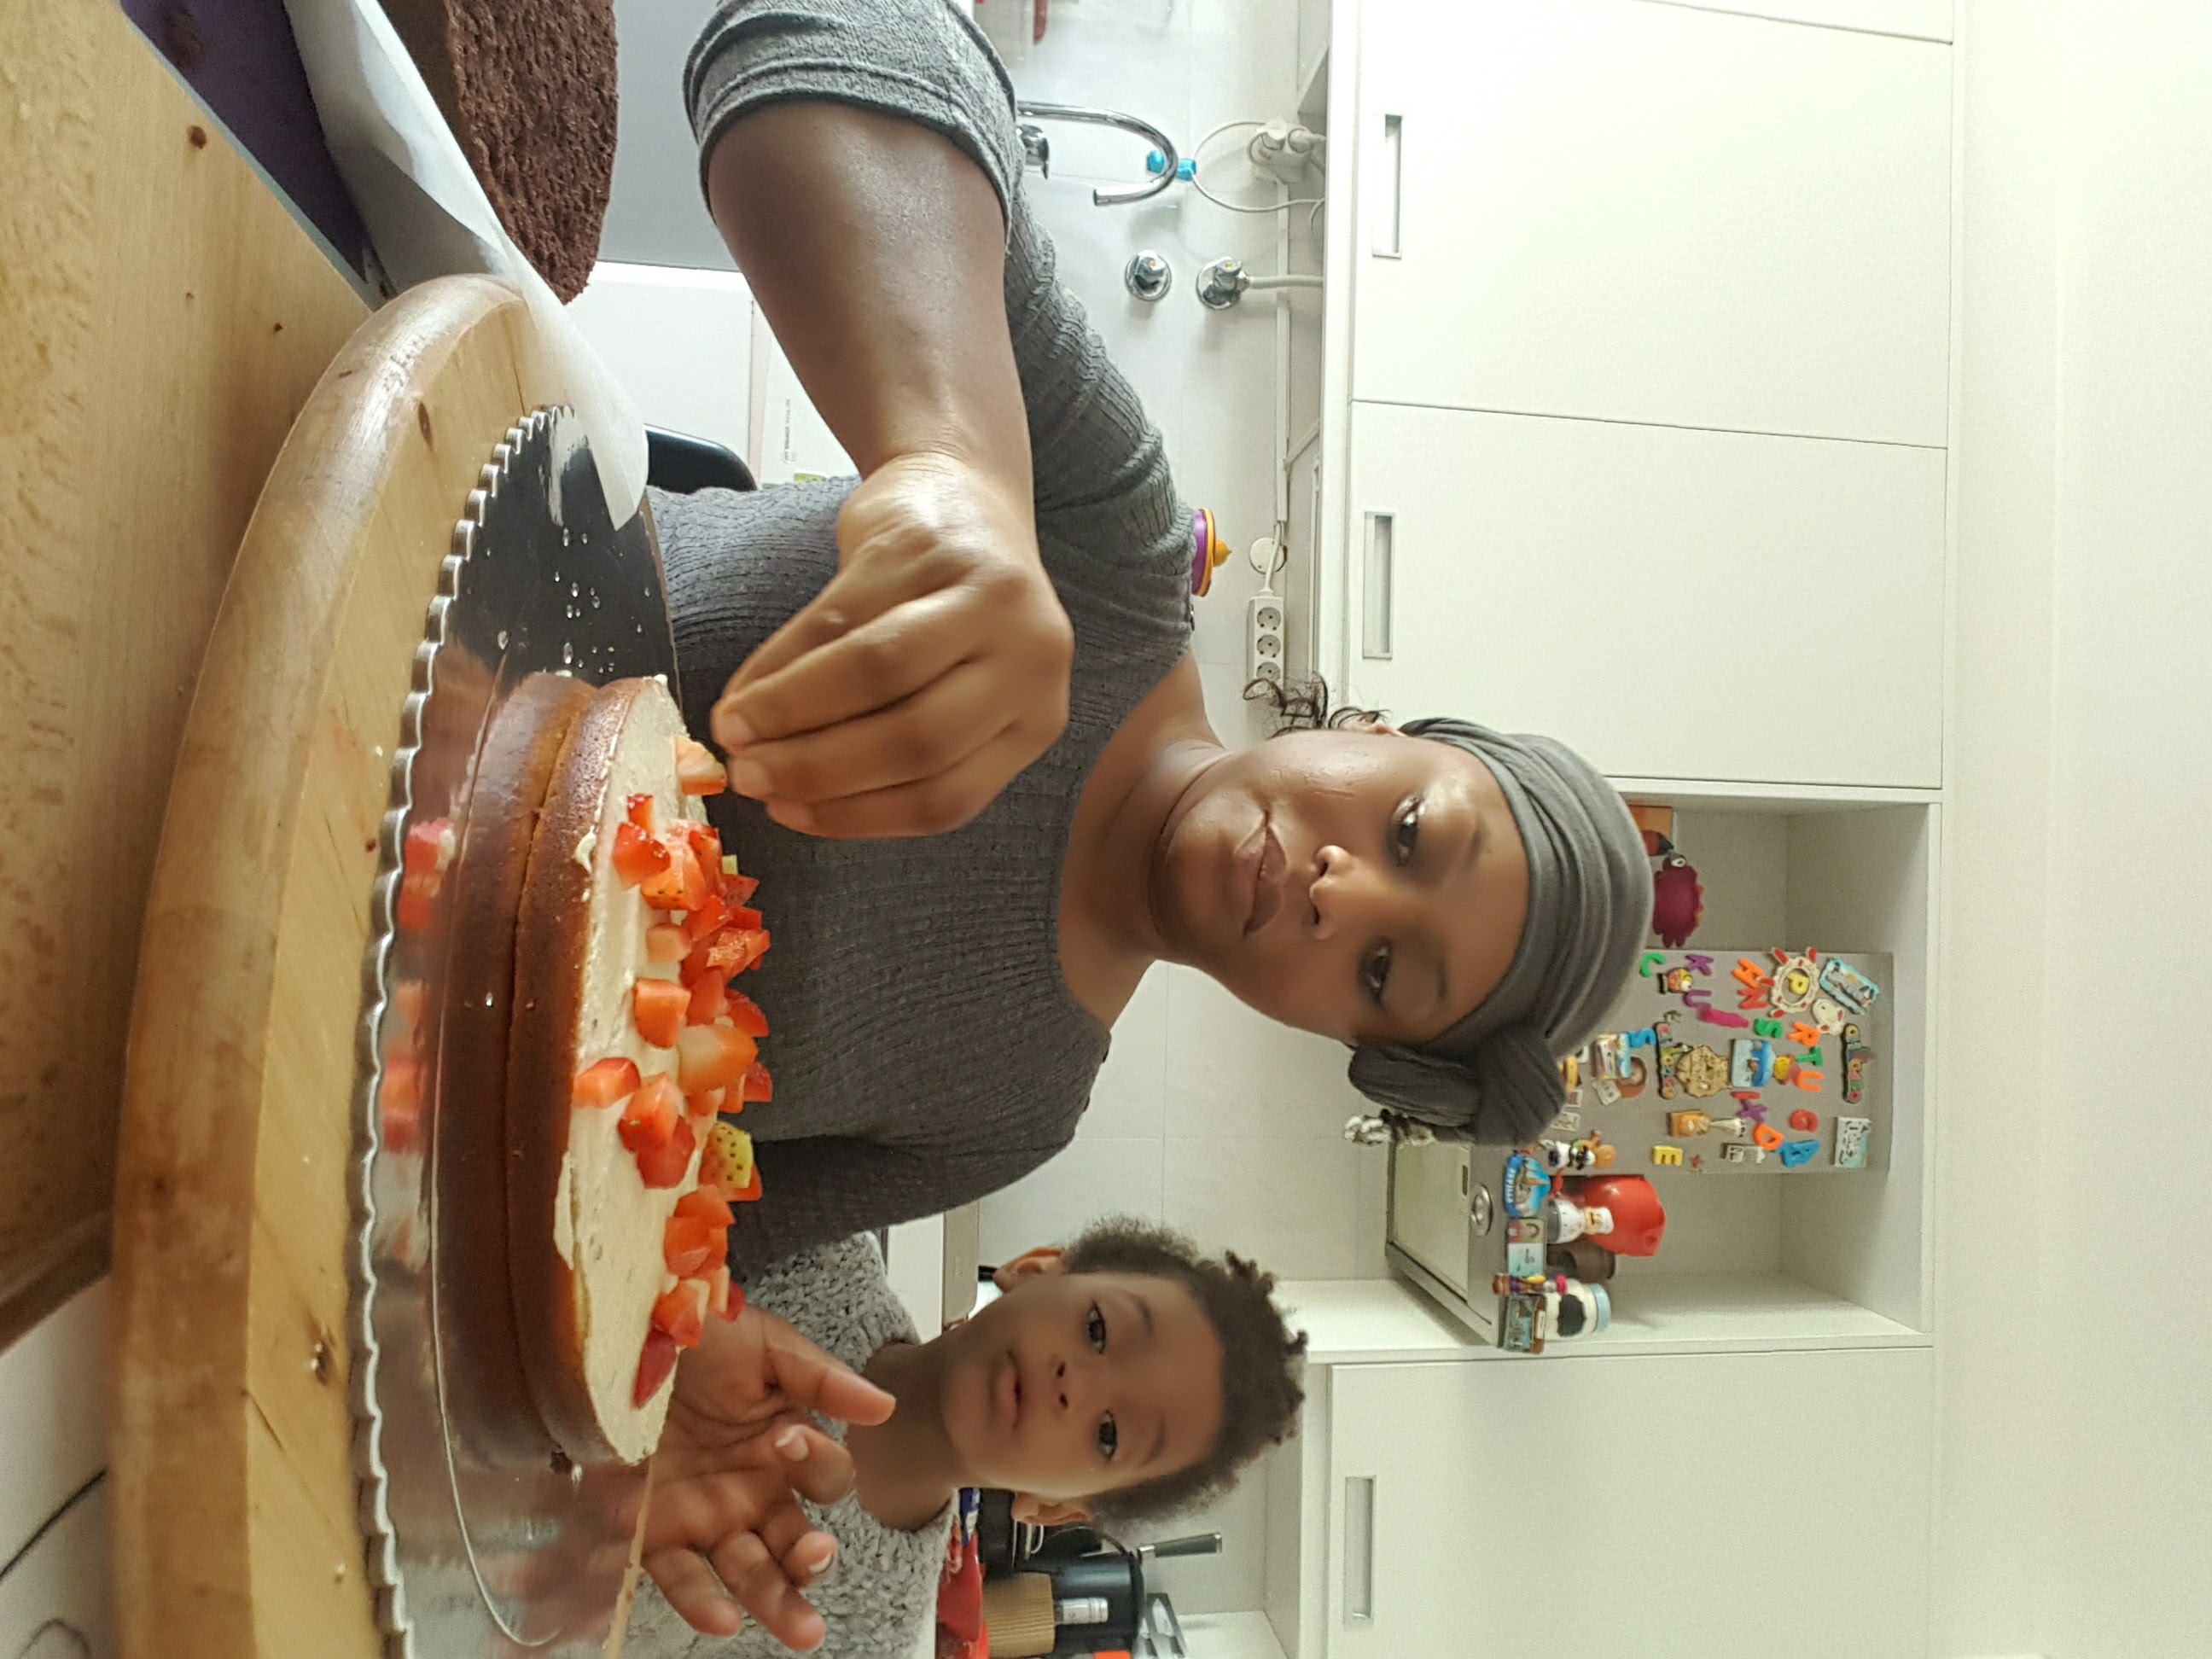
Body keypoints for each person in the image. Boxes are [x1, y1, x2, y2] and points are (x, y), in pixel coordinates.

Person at [652, 0, 1656, 1278]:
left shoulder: (1014, 1111)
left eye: (1383, 971)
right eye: (1408, 830)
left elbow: (679, 1254)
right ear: (1376, 731)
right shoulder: (1115, 558)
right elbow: (838, 30)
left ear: (1335, 1033)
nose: (1340, 894)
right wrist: (958, 465)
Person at [626, 1221, 1307, 1654]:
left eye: (1108, 1434)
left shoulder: (862, 1637)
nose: (1075, 1385)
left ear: (1057, 1509)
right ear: (1036, 1269)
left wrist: (610, 1539)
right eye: (1098, 1330)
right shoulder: (812, 1236)